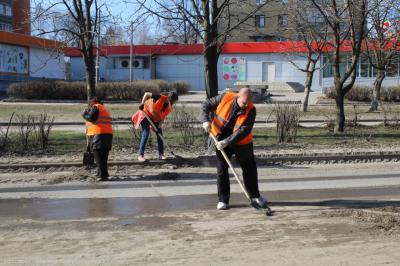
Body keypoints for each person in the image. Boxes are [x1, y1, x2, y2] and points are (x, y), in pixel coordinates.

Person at [200, 87, 268, 210]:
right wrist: (205, 121)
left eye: (248, 103)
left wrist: (227, 142)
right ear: (238, 96)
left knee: (250, 169)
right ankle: (223, 200)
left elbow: (244, 130)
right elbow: (206, 104)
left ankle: (255, 196)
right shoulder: (225, 97)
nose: (245, 105)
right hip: (219, 138)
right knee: (222, 170)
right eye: (243, 103)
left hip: (241, 142)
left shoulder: (251, 109)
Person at [138, 91, 178, 162]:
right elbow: (146, 94)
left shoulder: (169, 107)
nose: (172, 103)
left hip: (154, 118)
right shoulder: (159, 97)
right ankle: (140, 155)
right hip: (145, 114)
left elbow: (162, 117)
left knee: (160, 134)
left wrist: (159, 126)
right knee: (146, 133)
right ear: (169, 98)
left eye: (174, 102)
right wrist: (142, 103)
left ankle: (161, 155)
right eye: (172, 101)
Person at [83, 97, 113, 181]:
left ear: (94, 102)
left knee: (98, 156)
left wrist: (84, 114)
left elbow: (91, 118)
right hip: (108, 134)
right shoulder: (104, 109)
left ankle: (101, 175)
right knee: (103, 156)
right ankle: (103, 173)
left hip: (99, 135)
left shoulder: (96, 107)